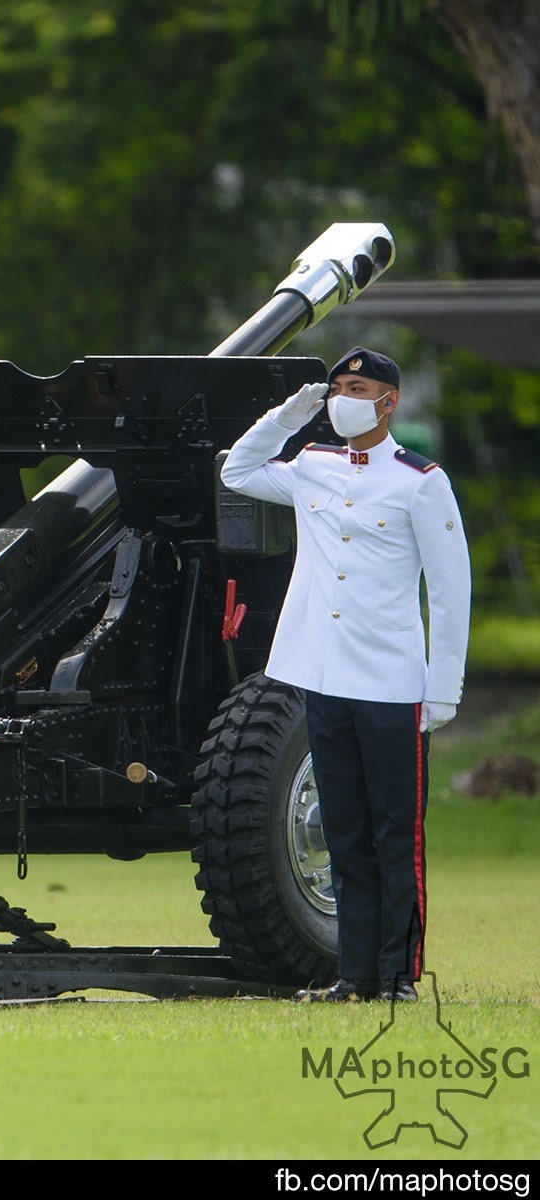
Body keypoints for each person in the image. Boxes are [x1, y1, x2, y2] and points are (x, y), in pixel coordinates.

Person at [221, 347, 470, 1003]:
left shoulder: (420, 481)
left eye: (355, 388)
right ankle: (354, 974)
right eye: (336, 388)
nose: (341, 398)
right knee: (343, 833)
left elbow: (450, 591)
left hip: (391, 682)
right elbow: (238, 470)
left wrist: (442, 686)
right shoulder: (312, 467)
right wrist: (289, 413)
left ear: (387, 401)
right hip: (323, 675)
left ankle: (398, 976)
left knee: (396, 835)